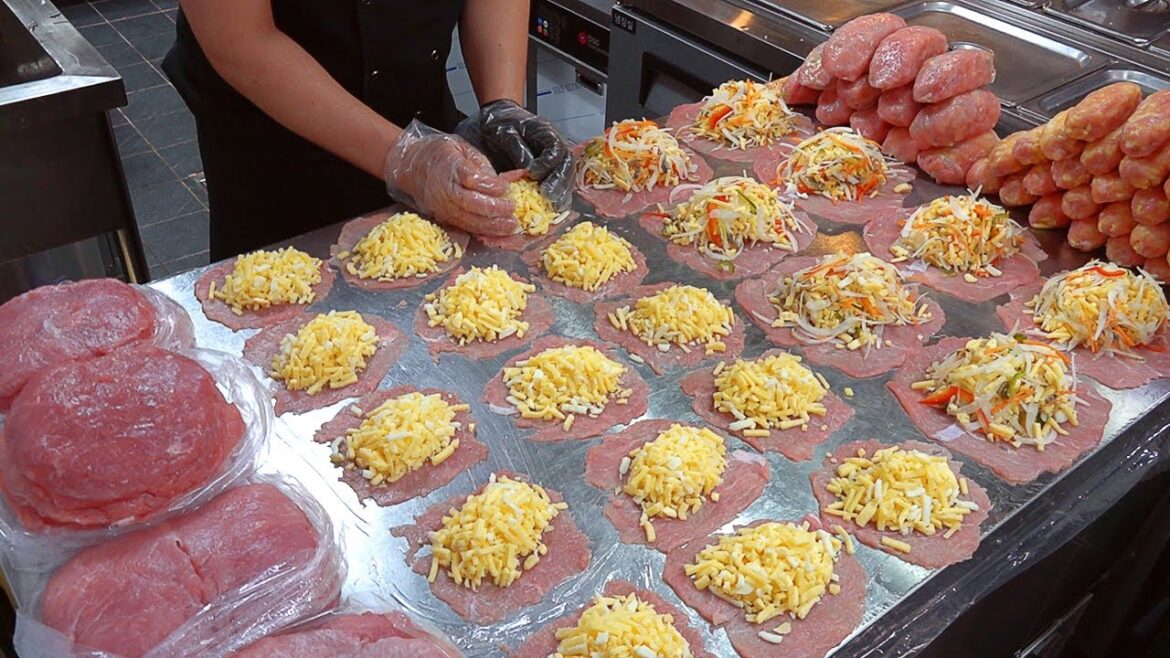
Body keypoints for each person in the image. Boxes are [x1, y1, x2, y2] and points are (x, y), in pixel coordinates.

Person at [163, 0, 573, 260]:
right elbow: (241, 41)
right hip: (282, 147)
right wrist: (407, 158)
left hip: (419, 112)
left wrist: (500, 105)